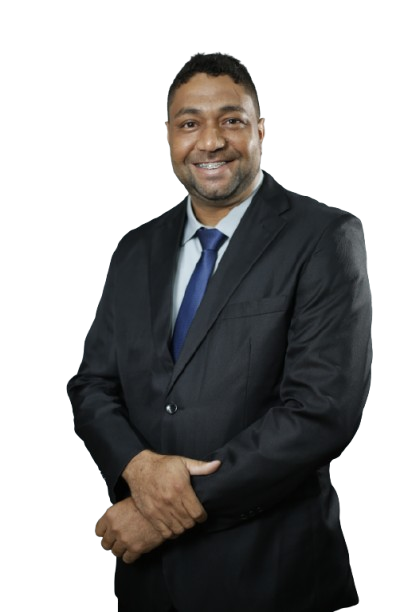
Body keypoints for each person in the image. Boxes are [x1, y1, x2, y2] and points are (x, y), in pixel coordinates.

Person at [66, 52, 372, 612]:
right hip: (149, 586)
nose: (211, 141)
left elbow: (320, 411)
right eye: (190, 123)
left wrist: (162, 510)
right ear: (168, 136)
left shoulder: (325, 236)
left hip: (273, 577)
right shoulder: (134, 249)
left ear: (260, 130)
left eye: (231, 120)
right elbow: (92, 386)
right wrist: (138, 467)